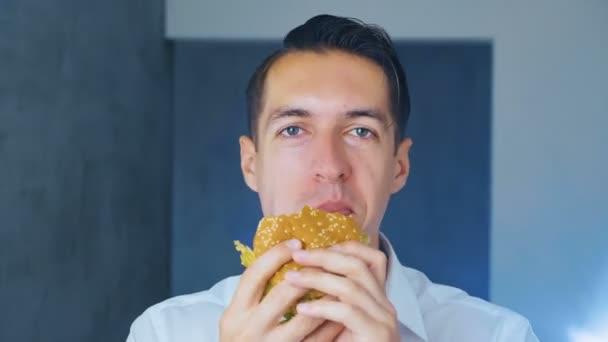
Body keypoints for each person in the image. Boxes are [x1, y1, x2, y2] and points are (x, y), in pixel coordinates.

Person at [127, 14, 538, 342]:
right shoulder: (165, 332)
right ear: (251, 163)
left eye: (360, 131)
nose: (330, 165)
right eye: (293, 130)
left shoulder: (499, 335)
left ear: (399, 166)